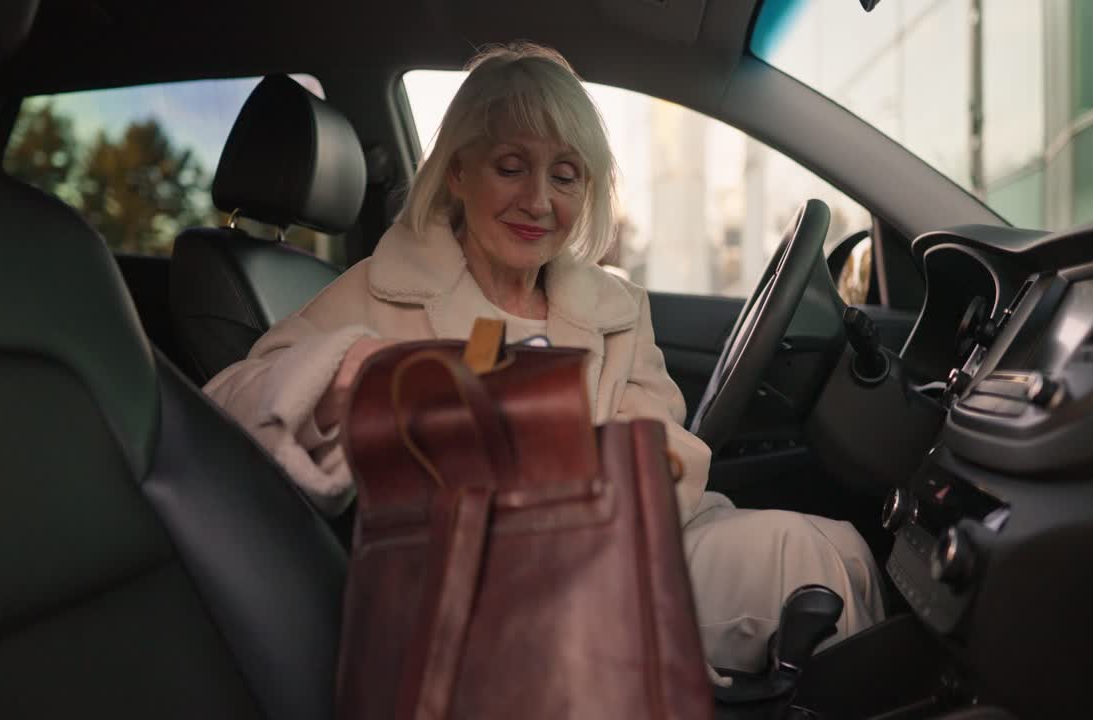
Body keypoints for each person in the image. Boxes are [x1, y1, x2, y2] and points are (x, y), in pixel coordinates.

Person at [204, 42, 884, 675]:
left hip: (631, 552)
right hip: (479, 593)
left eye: (564, 175)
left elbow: (670, 451)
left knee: (833, 554)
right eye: (510, 166)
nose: (538, 200)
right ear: (459, 174)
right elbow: (225, 406)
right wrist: (349, 373)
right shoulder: (379, 291)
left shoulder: (615, 307)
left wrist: (594, 492)